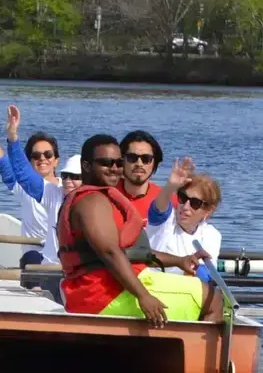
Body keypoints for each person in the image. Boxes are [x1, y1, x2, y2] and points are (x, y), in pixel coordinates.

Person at [55, 134, 221, 327]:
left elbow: (134, 251)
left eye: (118, 163)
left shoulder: (99, 198)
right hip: (103, 293)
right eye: (106, 163)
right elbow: (110, 252)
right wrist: (144, 296)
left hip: (104, 290)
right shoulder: (92, 201)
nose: (114, 169)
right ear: (86, 166)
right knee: (213, 299)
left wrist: (179, 260)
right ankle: (198, 357)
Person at [0, 99, 63, 269]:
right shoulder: (24, 188)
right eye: (36, 156)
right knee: (33, 260)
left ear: (57, 160)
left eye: (48, 154)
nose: (43, 159)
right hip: (35, 254)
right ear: (27, 162)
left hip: (64, 254)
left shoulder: (67, 188)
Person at [146, 157, 223, 274]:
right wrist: (170, 186)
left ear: (208, 211)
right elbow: (158, 209)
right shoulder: (166, 222)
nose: (185, 207)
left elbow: (205, 276)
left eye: (195, 203)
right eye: (183, 198)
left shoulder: (211, 234)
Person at [117, 130, 164, 220]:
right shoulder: (105, 198)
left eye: (146, 159)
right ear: (122, 160)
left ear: (155, 163)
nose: (139, 163)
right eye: (132, 158)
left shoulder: (167, 201)